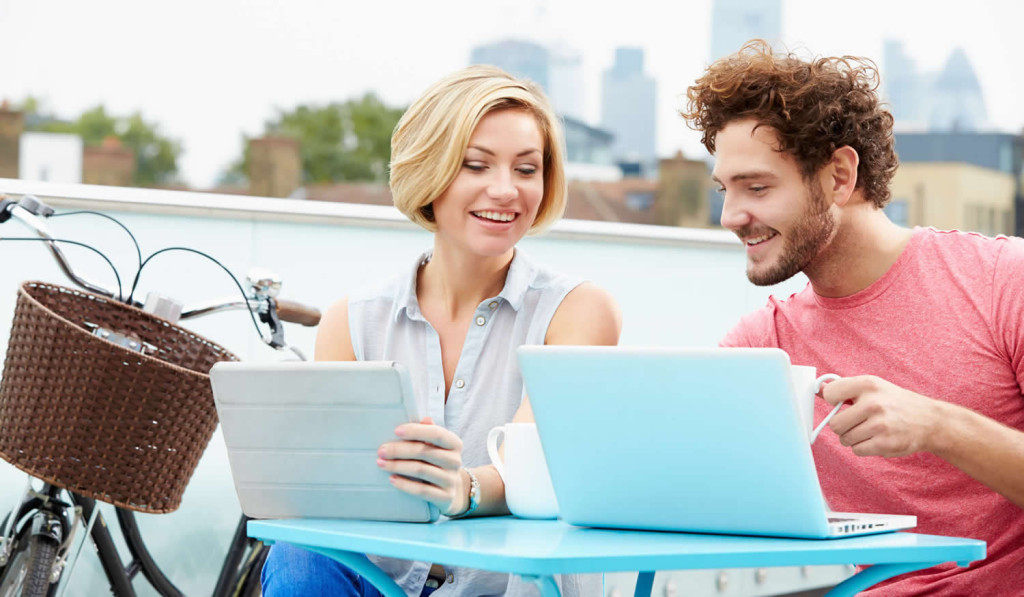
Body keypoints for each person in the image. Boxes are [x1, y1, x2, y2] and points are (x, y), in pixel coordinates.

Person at [260, 65, 620, 596]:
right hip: (382, 585)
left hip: (507, 590)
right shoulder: (352, 321)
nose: (506, 191)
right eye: (476, 165)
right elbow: (332, 497)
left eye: (527, 169)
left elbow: (535, 464)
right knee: (297, 552)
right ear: (430, 171)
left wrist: (463, 488)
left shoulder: (578, 311)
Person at [682, 40, 1024, 594]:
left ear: (839, 176)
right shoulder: (759, 345)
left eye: (758, 188)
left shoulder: (1002, 281)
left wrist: (939, 426)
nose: (730, 217)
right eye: (724, 190)